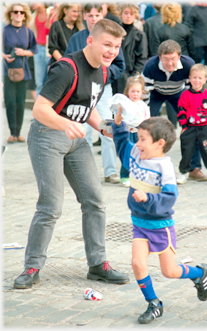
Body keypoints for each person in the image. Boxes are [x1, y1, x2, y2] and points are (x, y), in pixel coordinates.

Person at [13, 18, 129, 290]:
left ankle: (98, 264)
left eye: (116, 46)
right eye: (107, 44)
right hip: (47, 137)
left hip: (76, 140)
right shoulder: (66, 68)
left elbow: (86, 108)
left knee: (95, 200)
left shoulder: (102, 70)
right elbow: (40, 109)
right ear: (91, 41)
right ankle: (32, 267)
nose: (112, 51)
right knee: (51, 206)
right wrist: (65, 123)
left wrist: (102, 126)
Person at [112, 110, 207, 324]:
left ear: (159, 143)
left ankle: (198, 272)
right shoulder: (137, 154)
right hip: (139, 224)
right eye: (137, 138)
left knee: (170, 271)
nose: (137, 143)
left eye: (142, 139)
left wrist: (147, 198)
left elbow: (168, 199)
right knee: (137, 263)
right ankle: (154, 303)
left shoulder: (165, 168)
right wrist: (118, 126)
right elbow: (122, 147)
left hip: (160, 226)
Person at [65, 3, 125, 184]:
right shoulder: (77, 38)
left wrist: (103, 75)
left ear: (103, 15)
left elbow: (119, 66)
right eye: (90, 15)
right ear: (84, 16)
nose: (93, 19)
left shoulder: (111, 38)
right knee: (84, 131)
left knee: (106, 127)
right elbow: (68, 61)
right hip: (81, 89)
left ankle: (110, 171)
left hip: (103, 88)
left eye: (97, 15)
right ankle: (88, 171)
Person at [142, 39, 207, 182]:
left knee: (193, 127)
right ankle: (145, 164)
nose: (169, 63)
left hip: (179, 93)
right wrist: (144, 114)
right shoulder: (150, 66)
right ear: (160, 57)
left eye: (173, 59)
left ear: (179, 57)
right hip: (155, 93)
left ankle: (194, 168)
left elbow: (193, 90)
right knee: (144, 126)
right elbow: (145, 92)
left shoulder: (188, 64)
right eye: (165, 59)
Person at [177, 63, 207, 186]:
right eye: (194, 77)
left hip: (204, 129)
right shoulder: (185, 95)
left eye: (200, 78)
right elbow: (181, 112)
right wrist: (184, 126)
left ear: (205, 80)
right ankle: (184, 172)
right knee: (187, 151)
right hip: (189, 129)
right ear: (189, 78)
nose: (197, 80)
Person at [2, 3, 38, 143]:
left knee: (20, 102)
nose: (18, 15)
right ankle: (12, 133)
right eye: (15, 12)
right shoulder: (4, 31)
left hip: (24, 71)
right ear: (10, 14)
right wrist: (4, 56)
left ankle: (18, 133)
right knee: (10, 102)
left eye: (21, 12)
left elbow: (34, 50)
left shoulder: (28, 32)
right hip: (7, 71)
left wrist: (24, 52)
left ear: (25, 15)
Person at [114, 73, 150, 187]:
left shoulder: (143, 105)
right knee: (127, 153)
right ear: (127, 91)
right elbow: (118, 116)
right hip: (127, 131)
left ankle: (138, 175)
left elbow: (147, 118)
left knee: (140, 153)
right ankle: (125, 176)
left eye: (138, 92)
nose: (135, 94)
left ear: (142, 92)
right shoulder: (124, 105)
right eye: (132, 91)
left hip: (140, 132)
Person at [112, 3, 148, 94]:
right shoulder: (114, 32)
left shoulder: (139, 35)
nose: (128, 16)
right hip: (114, 73)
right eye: (126, 13)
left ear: (135, 15)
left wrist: (134, 76)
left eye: (131, 14)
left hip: (130, 74)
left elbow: (142, 58)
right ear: (121, 14)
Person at [184, 3, 207, 82]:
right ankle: (195, 77)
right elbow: (188, 24)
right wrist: (192, 35)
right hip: (198, 39)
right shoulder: (194, 9)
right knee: (197, 59)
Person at [30, 3, 53, 97]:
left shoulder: (51, 12)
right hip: (38, 48)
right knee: (38, 82)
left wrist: (50, 16)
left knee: (49, 80)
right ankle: (38, 108)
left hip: (49, 49)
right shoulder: (33, 15)